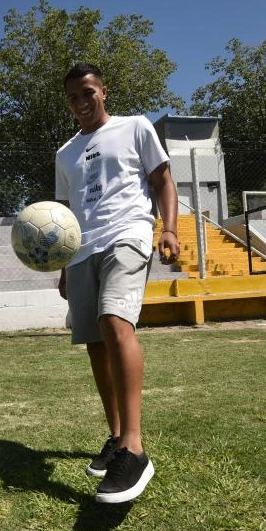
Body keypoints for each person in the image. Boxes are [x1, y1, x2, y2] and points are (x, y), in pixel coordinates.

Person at [55, 63, 179, 503]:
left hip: (127, 234)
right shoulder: (65, 153)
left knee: (115, 322)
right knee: (94, 341)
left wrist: (169, 229)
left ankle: (134, 448)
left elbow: (163, 180)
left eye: (88, 93)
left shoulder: (135, 127)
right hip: (83, 250)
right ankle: (114, 436)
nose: (82, 103)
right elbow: (63, 217)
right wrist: (64, 267)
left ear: (104, 91)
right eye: (73, 98)